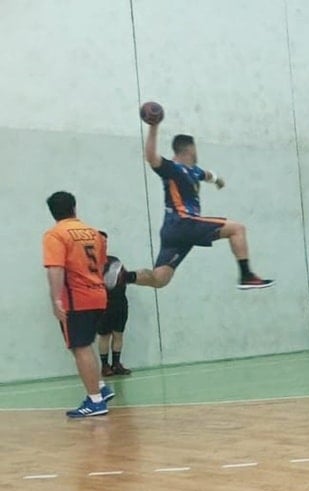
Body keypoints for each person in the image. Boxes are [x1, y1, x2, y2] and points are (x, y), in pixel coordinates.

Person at [107, 120, 273, 291]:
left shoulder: (193, 170)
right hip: (184, 222)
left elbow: (206, 175)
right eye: (195, 148)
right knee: (237, 229)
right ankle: (247, 276)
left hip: (172, 231)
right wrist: (154, 126)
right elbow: (150, 157)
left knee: (160, 279)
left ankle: (124, 276)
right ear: (189, 149)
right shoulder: (172, 168)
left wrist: (217, 180)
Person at [42, 191, 115, 418]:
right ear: (74, 207)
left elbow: (56, 268)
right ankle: (100, 387)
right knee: (80, 344)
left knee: (81, 346)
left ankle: (95, 401)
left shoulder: (55, 235)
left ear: (53, 212)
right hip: (99, 294)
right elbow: (102, 264)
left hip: (76, 298)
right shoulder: (94, 233)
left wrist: (56, 299)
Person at [98, 254, 132, 376]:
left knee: (118, 334)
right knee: (105, 336)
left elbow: (126, 277)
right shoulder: (93, 263)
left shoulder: (115, 260)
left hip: (120, 303)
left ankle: (116, 364)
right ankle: (105, 366)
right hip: (104, 304)